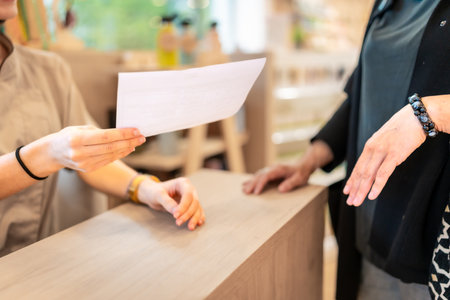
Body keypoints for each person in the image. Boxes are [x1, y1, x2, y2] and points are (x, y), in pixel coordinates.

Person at [244, 0, 449, 299]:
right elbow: (362, 94)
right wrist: (307, 162)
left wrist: (427, 112)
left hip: (431, 240)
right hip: (370, 222)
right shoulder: (387, 4)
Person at [0, 0, 205, 257]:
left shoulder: (48, 70)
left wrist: (145, 187)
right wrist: (45, 154)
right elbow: (58, 150)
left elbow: (86, 153)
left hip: (37, 260)